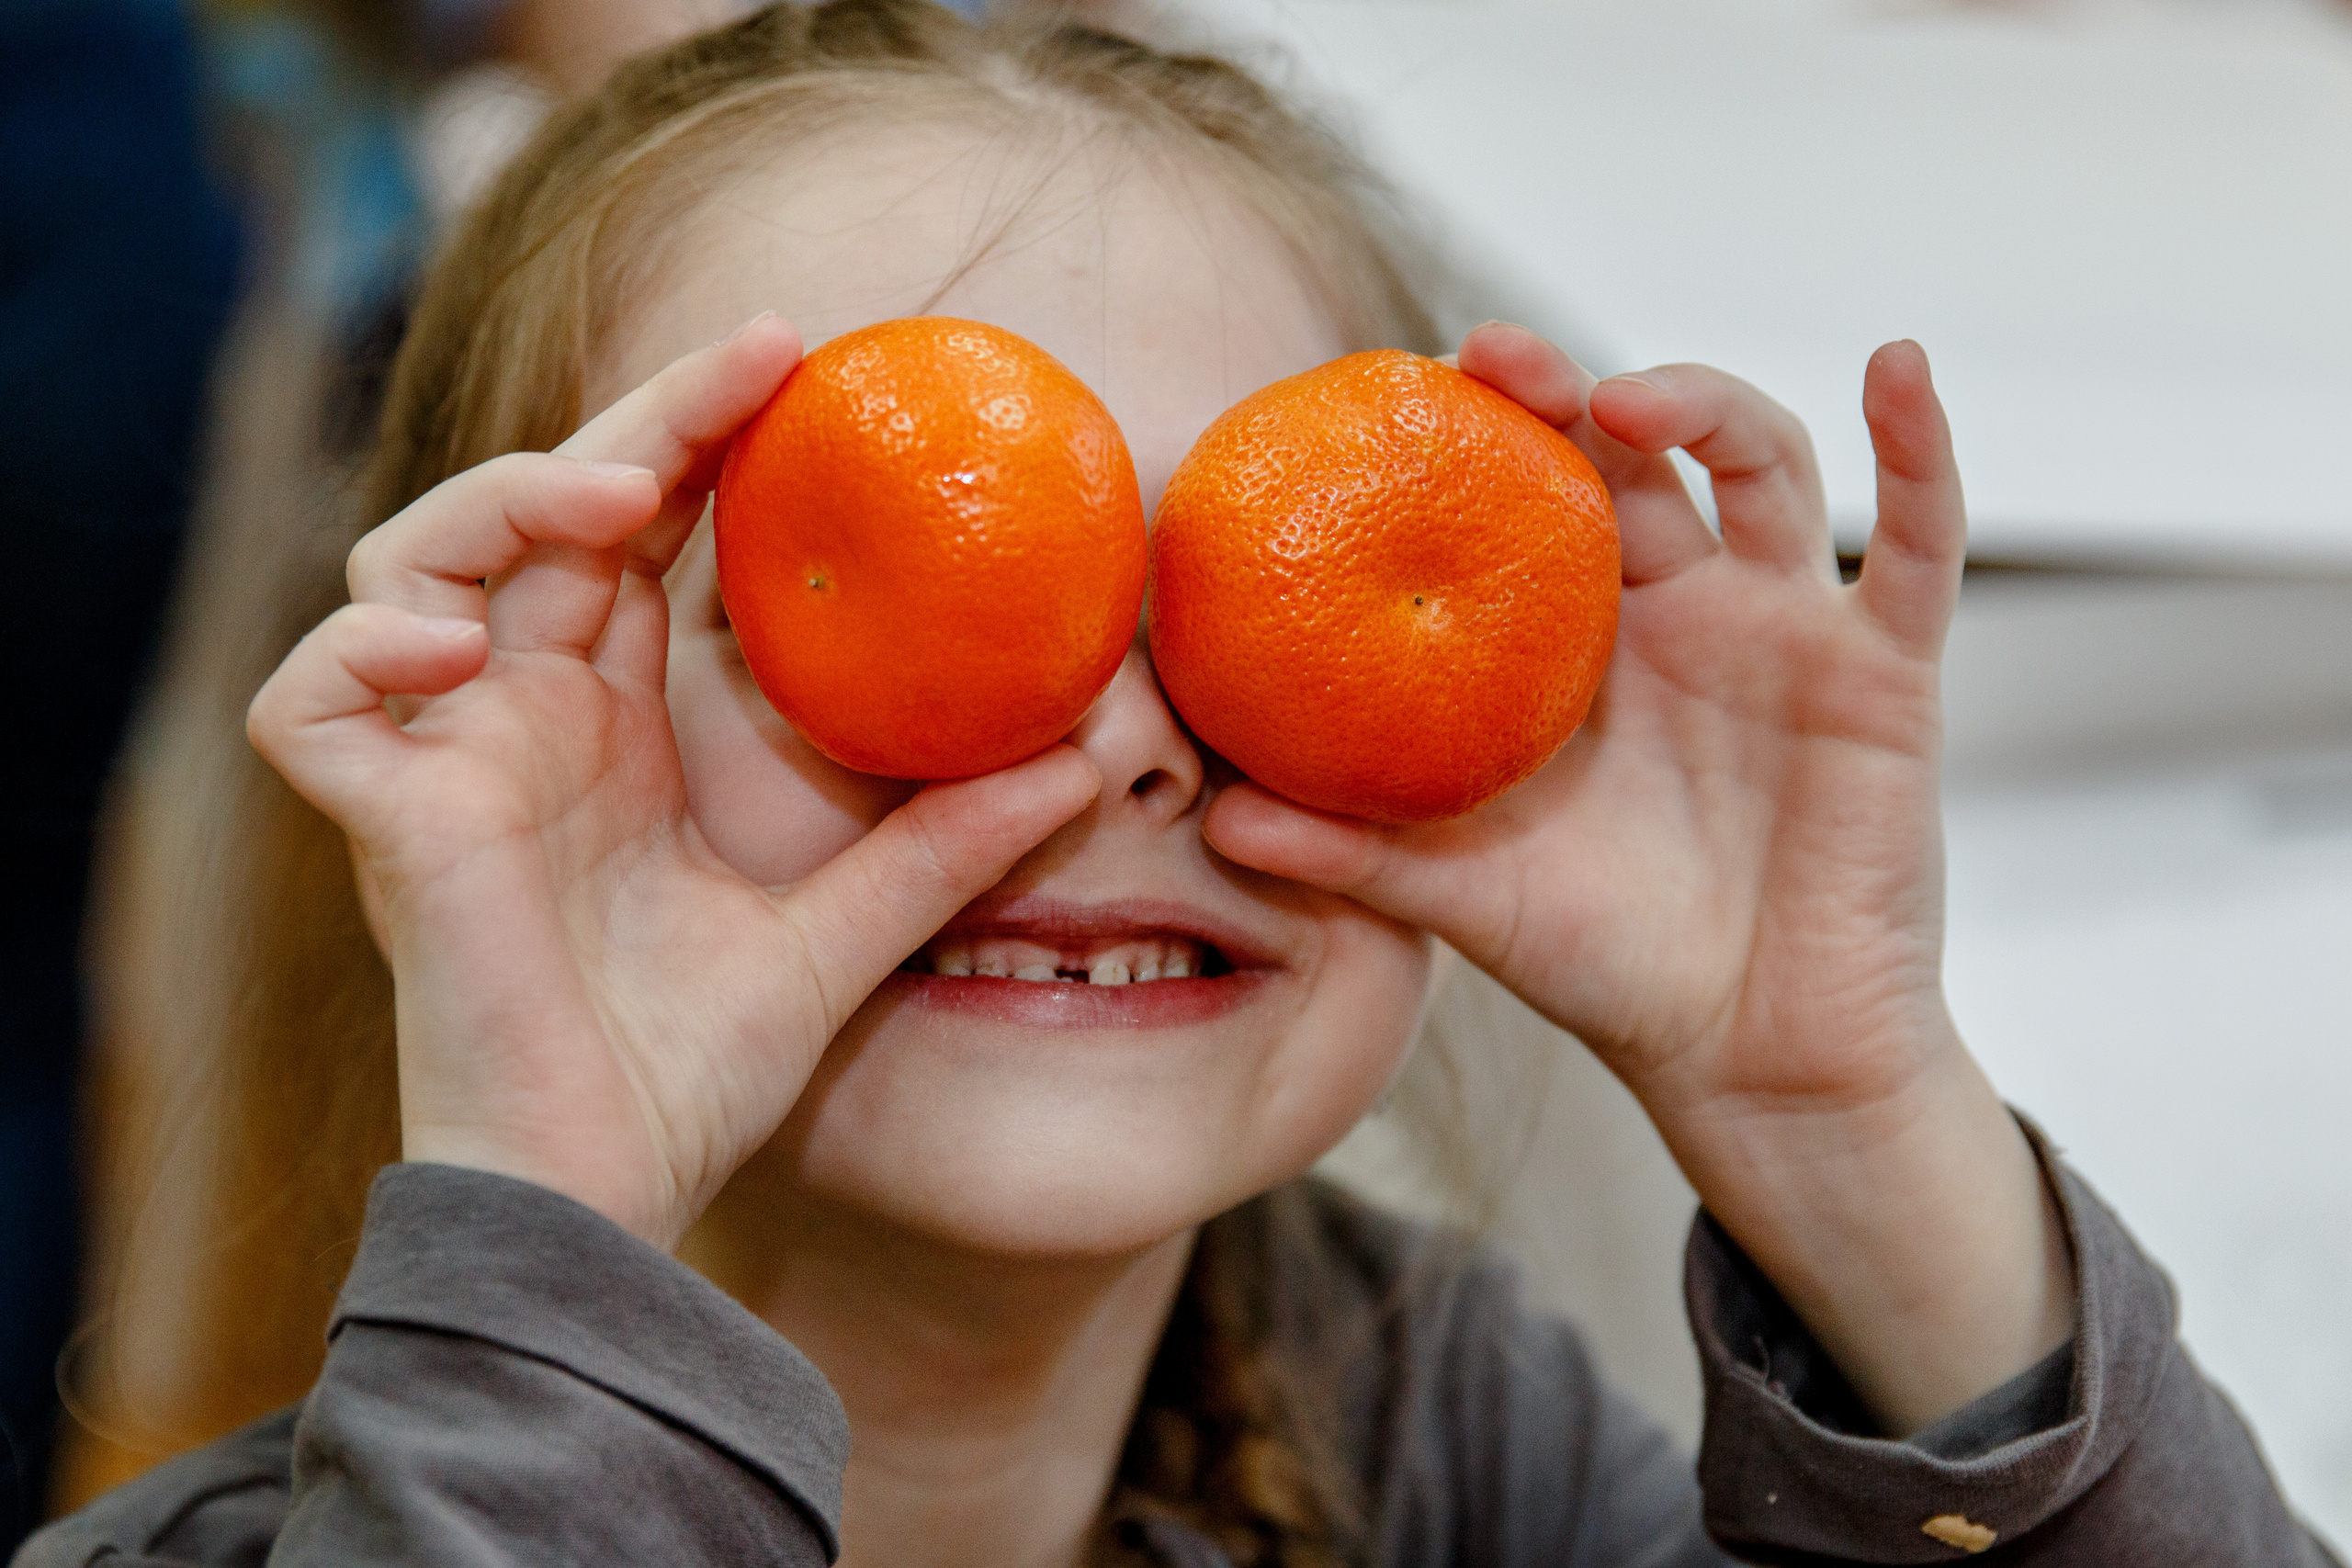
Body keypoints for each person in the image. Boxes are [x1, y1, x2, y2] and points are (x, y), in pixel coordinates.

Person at [17, 2, 2336, 1563]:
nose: (1114, 737)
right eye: (907, 603)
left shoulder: (1444, 1446)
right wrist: (551, 1230)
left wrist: (1849, 1121)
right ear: (485, 737)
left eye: (1241, 605)